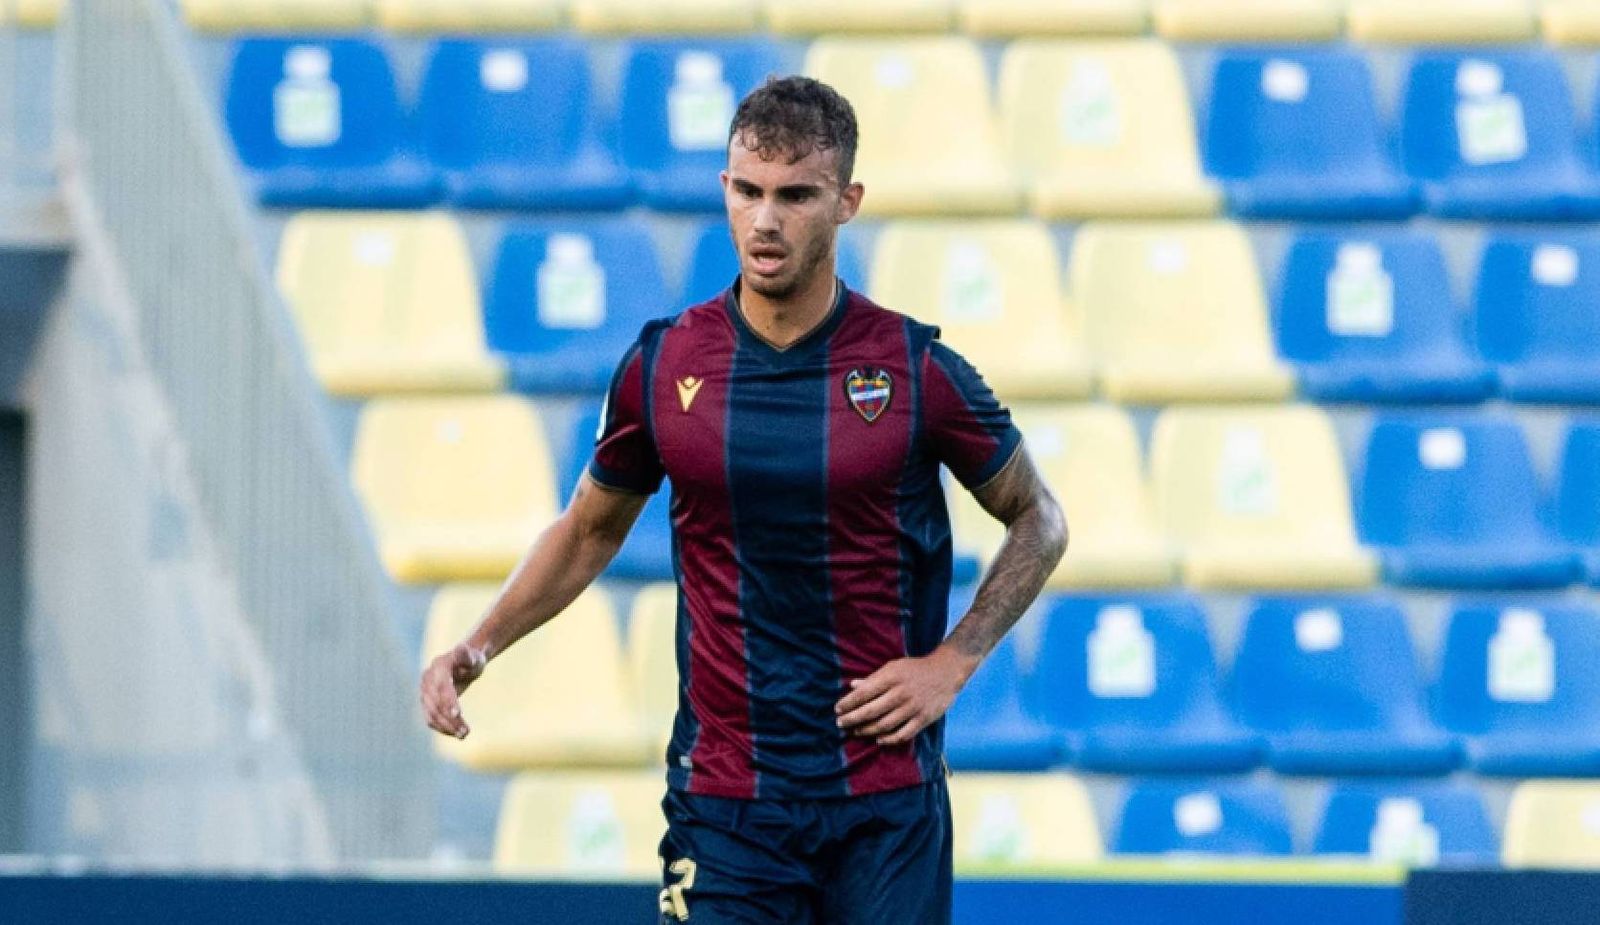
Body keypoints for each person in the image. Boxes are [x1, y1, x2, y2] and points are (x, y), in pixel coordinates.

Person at [420, 74, 1067, 924]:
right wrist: (477, 646)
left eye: (797, 195)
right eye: (748, 191)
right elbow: (588, 530)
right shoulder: (663, 365)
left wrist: (953, 661)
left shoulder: (914, 371)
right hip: (726, 802)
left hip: (884, 804)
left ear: (846, 202)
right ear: (724, 189)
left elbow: (1040, 519)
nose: (766, 220)